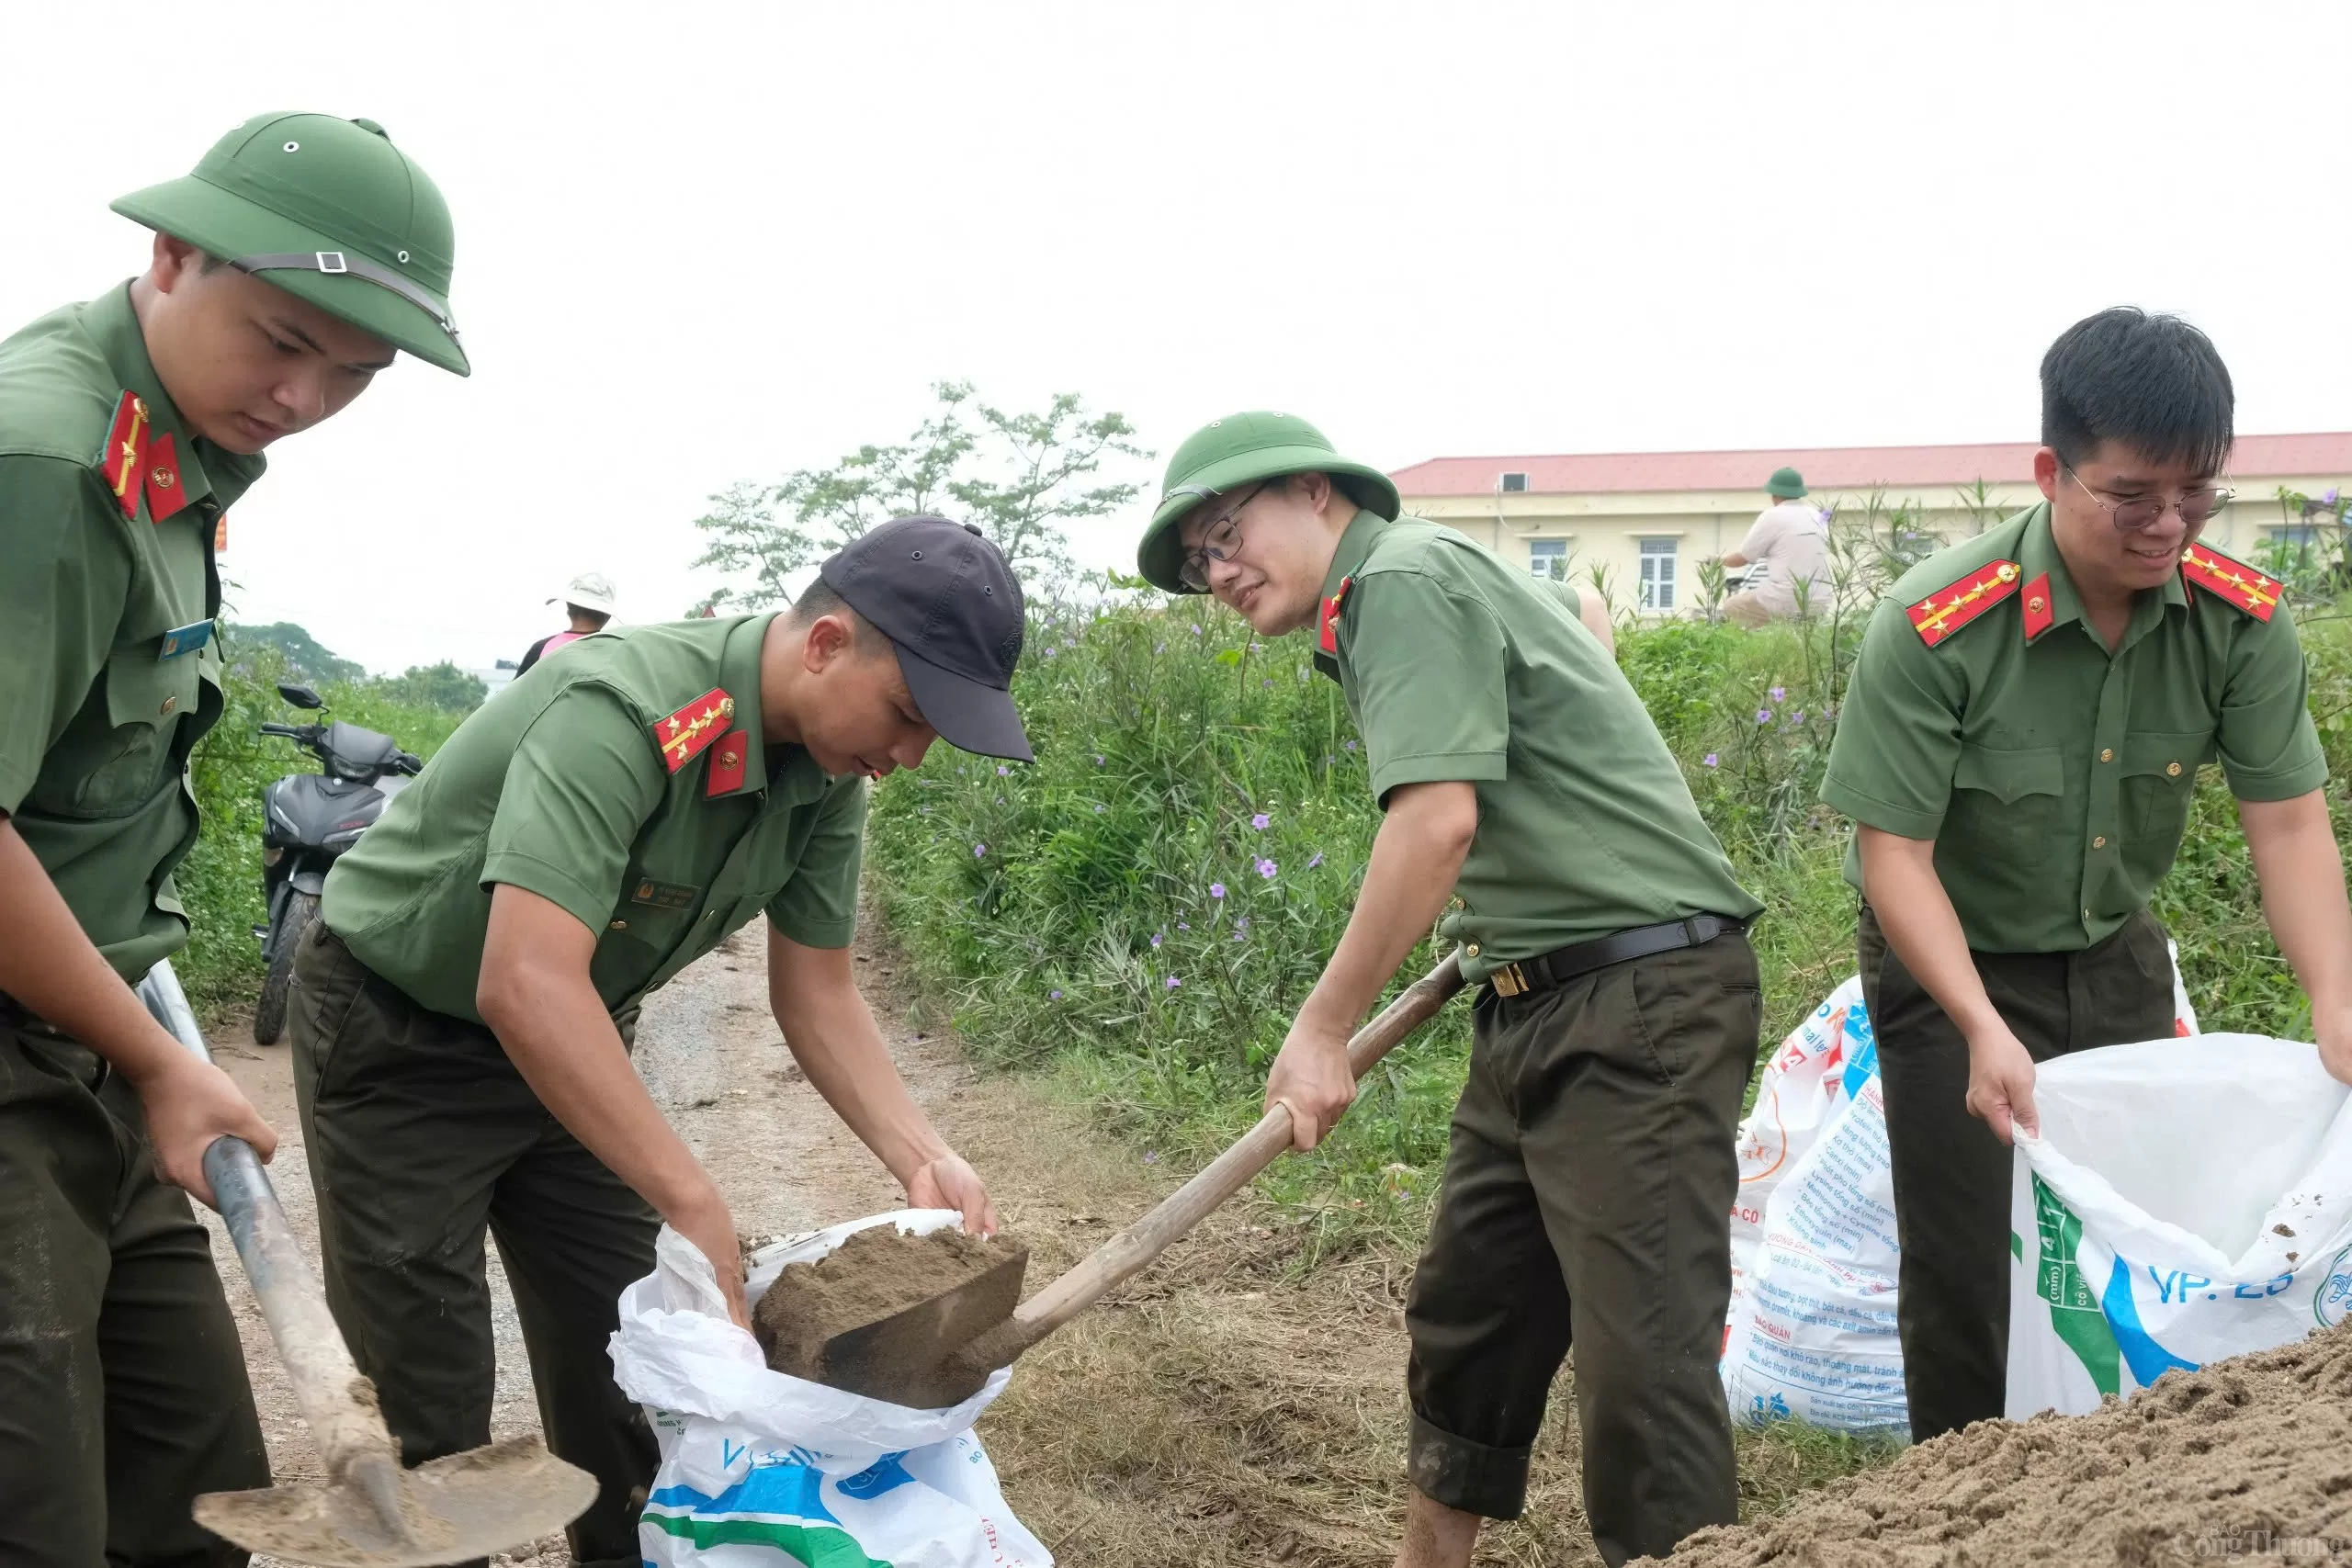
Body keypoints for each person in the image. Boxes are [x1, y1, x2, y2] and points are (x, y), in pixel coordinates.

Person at [291, 515, 1022, 1566]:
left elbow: (816, 990)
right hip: (403, 1033)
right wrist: (694, 1196)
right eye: (906, 715)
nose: (906, 757)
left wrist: (920, 1152)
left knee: (638, 1349)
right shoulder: (623, 709)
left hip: (574, 1041)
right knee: (427, 1374)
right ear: (824, 644)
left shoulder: (827, 770)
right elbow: (524, 979)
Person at [1136, 412, 1763, 1568]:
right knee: (1469, 1324)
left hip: (1640, 1004)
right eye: (1195, 564)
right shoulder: (1423, 575)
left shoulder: (1403, 578)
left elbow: (1434, 823)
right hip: (1526, 996)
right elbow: (1576, 621)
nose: (1217, 573)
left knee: (1641, 1370)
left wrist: (1321, 1028)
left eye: (1225, 534)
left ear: (1315, 492)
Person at [0, 112, 469, 1567]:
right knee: (36, 1503)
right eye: (282, 338)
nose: (305, 393)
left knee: (194, 1474)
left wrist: (139, 1051)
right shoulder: (51, 458)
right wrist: (164, 1064)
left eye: (354, 373)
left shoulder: (177, 455)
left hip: (83, 1015)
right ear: (170, 251)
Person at [1820, 307, 2352, 1442]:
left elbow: (2291, 830)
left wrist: (2335, 996)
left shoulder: (2238, 624)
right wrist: (1975, 1024)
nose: (2168, 525)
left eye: (2196, 495)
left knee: (2127, 1250)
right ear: (2050, 470)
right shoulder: (1933, 627)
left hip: (2114, 964)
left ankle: (2116, 1493)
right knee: (1969, 1265)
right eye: (2133, 497)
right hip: (1951, 972)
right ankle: (1957, 1507)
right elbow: (1893, 856)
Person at [1718, 466, 1828, 627]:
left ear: (1774, 494)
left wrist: (1718, 561)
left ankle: (1770, 641)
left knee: (1732, 606)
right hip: (1820, 599)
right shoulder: (1817, 516)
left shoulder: (1773, 516)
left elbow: (1743, 558)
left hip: (1787, 598)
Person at [518, 570, 618, 674]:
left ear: (569, 608)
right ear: (607, 616)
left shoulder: (540, 649)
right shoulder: (619, 653)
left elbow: (516, 690)